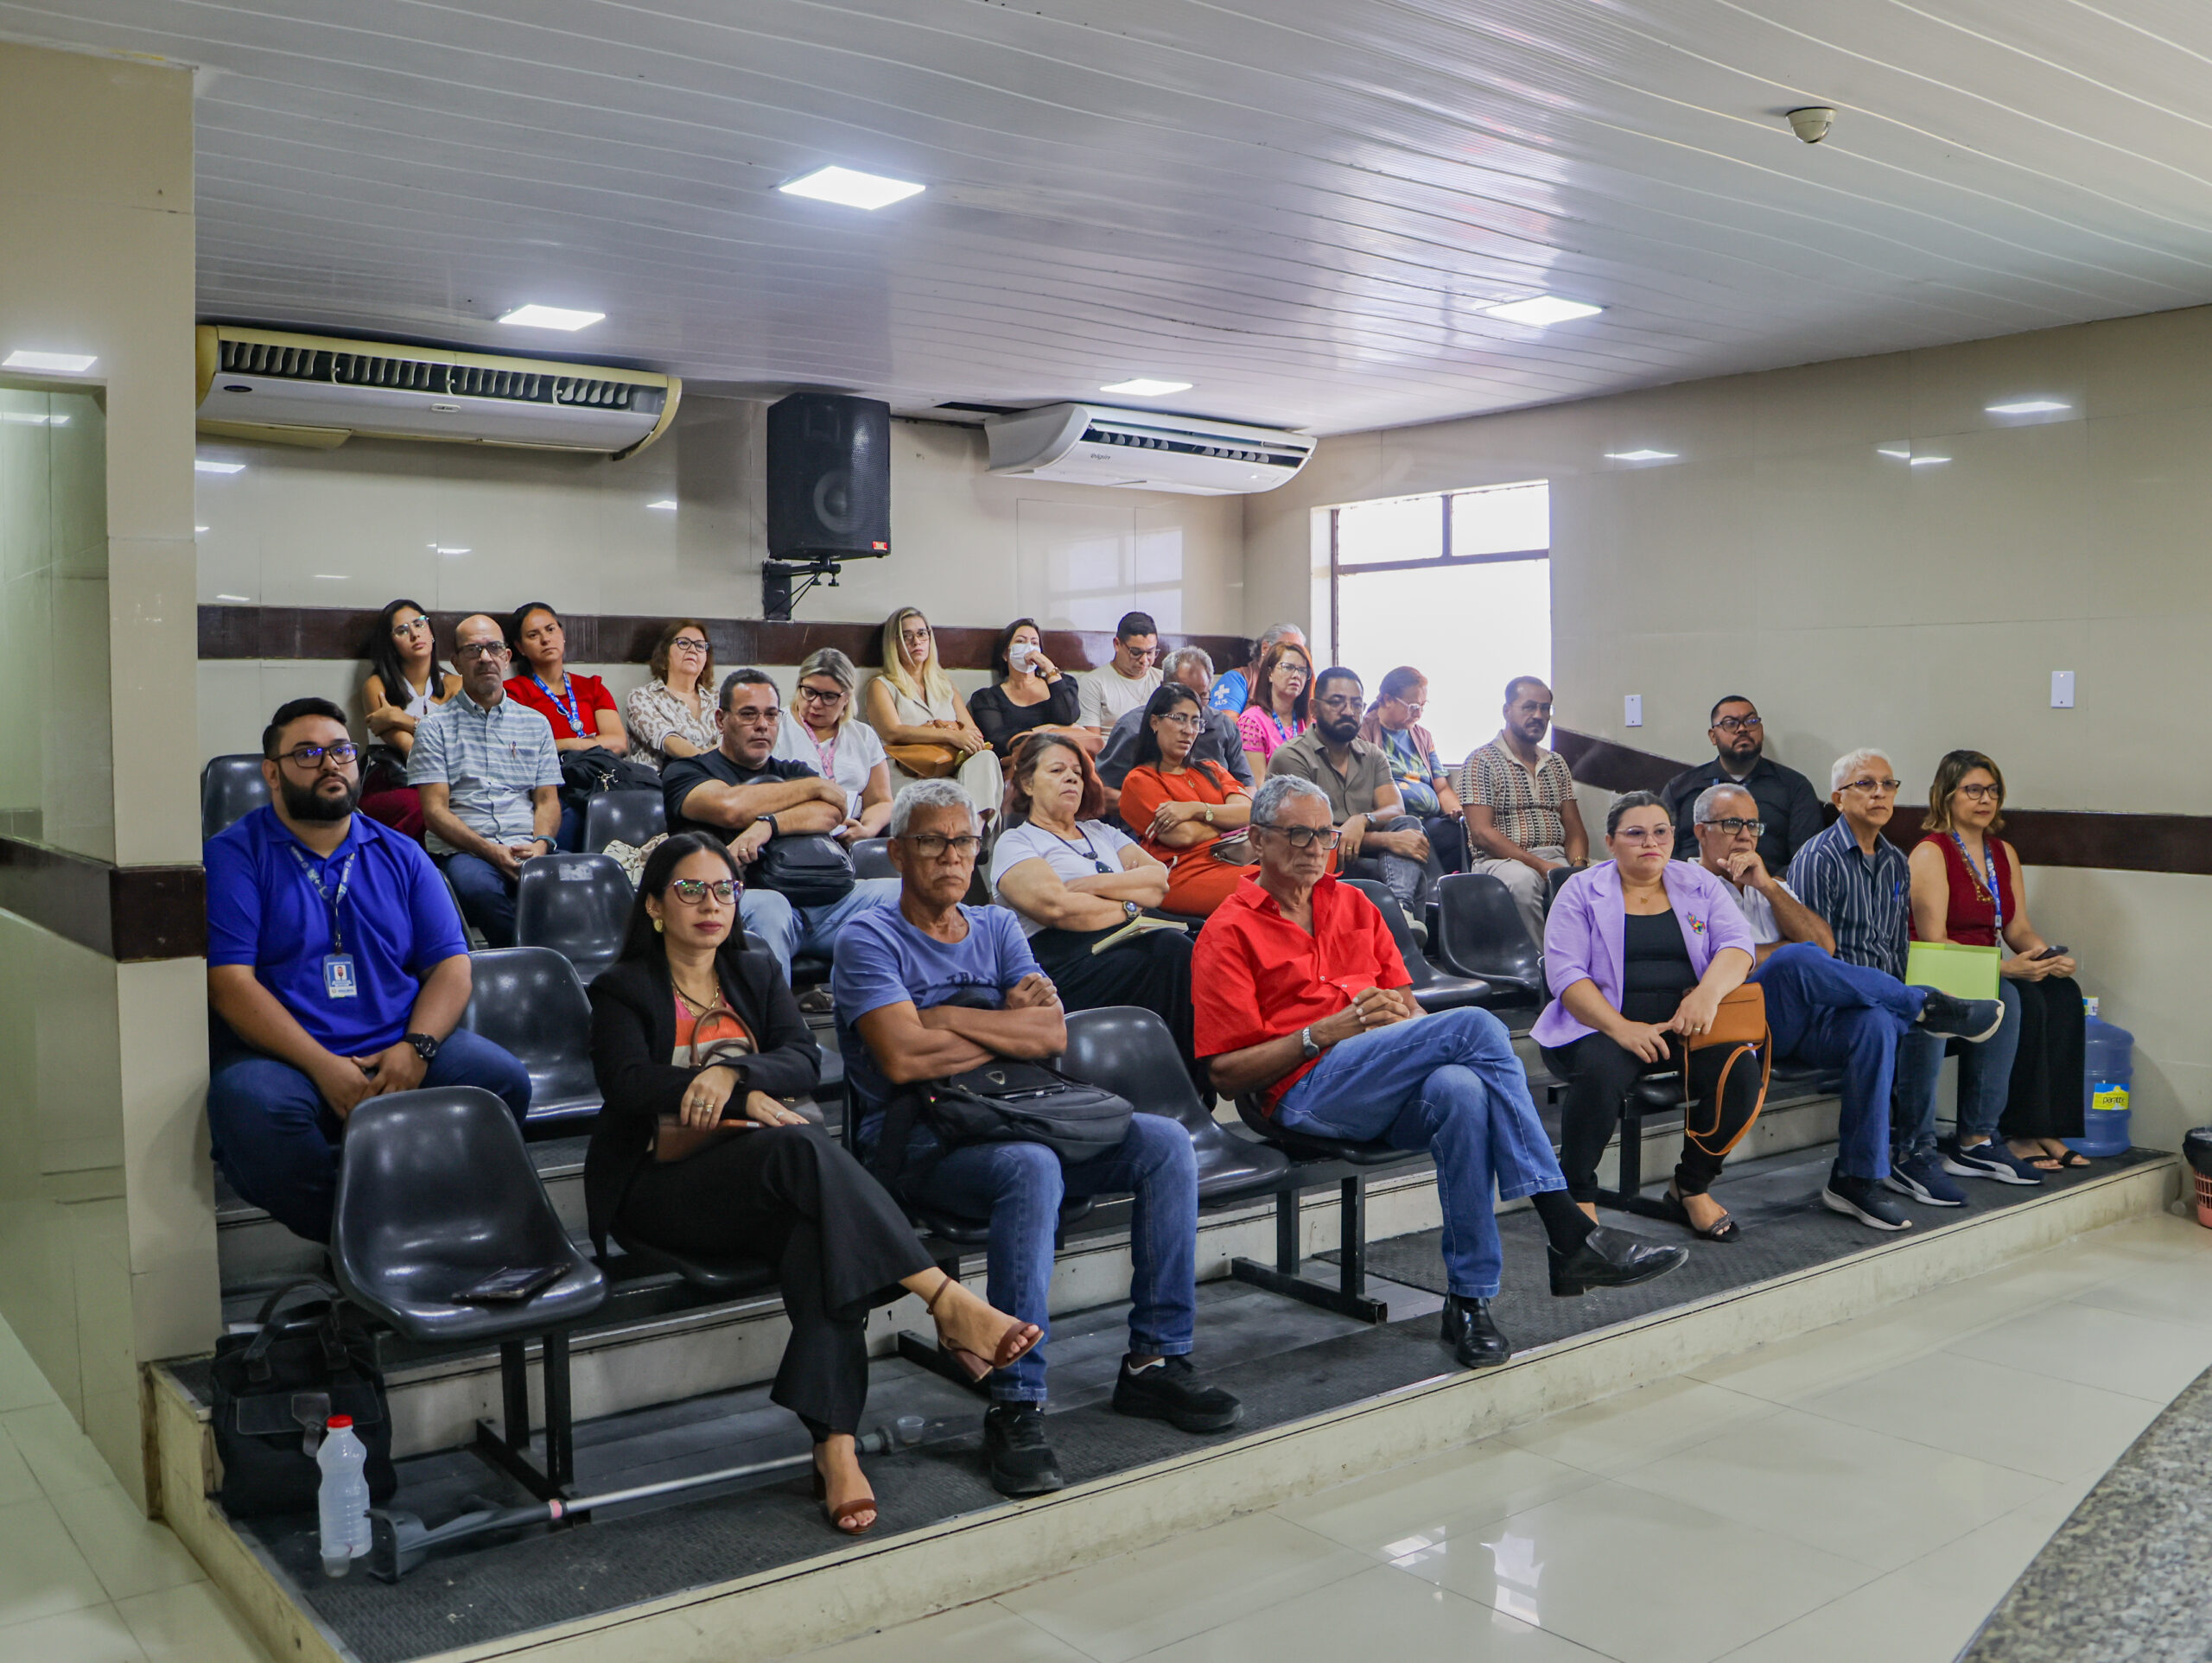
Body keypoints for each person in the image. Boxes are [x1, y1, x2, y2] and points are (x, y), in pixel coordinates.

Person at [588, 831, 1039, 1536]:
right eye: (690, 890)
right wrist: (729, 1092)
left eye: (724, 889)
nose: (711, 903)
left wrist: (734, 1072)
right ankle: (946, 1300)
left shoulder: (753, 967)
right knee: (801, 1147)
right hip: (661, 1186)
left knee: (819, 1232)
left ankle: (836, 1447)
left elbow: (803, 1057)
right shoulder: (622, 987)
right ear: (653, 905)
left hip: (755, 1177)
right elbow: (627, 1084)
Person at [1194, 776, 1686, 1370]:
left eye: (1324, 833)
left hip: (1382, 1076)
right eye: (1298, 833)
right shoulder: (1228, 930)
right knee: (1475, 1025)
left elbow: (1411, 1009)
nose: (1315, 847)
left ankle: (1469, 1302)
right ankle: (1563, 1223)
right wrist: (1321, 1033)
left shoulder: (1354, 904)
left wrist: (1405, 1027)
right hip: (1302, 1091)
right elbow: (1227, 1076)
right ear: (1257, 839)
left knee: (1461, 1089)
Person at [836, 780, 1242, 1498]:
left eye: (964, 841)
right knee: (1031, 1168)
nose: (952, 856)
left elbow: (1051, 1034)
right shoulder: (868, 938)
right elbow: (901, 1058)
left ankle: (1155, 1362)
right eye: (933, 842)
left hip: (1022, 1112)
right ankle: (1016, 1402)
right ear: (897, 852)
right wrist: (1000, 1023)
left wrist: (942, 1017)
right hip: (919, 1141)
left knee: (1164, 1144)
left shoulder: (995, 926)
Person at [205, 697, 531, 1242]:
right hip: (287, 1057)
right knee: (252, 1110)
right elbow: (230, 984)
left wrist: (417, 1048)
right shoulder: (233, 855)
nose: (330, 764)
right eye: (307, 753)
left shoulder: (402, 853)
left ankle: (415, 1232)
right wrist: (324, 1066)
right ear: (272, 773)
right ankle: (365, 1244)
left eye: (341, 751)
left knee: (501, 1082)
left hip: (396, 1040)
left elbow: (452, 966)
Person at [1691, 782, 2005, 1228]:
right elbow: (1717, 962)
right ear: (1701, 831)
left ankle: (1855, 1179)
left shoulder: (1769, 883)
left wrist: (1768, 887)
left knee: (1873, 1023)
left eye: (1753, 825)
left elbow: (1824, 945)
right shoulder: (1687, 887)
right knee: (1794, 959)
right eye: (1731, 824)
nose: (1744, 834)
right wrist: (1781, 952)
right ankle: (1924, 1005)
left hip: (1794, 1024)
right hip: (1733, 1023)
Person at [1533, 794, 1761, 1241]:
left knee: (1739, 1073)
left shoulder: (1699, 883)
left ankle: (1690, 1186)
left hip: (1686, 1026)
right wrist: (1621, 1028)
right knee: (1599, 1073)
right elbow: (1566, 974)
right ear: (1610, 842)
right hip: (1601, 1025)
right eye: (1635, 833)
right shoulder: (1580, 890)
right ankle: (1577, 1194)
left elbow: (1738, 946)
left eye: (1660, 832)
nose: (1650, 843)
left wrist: (1707, 995)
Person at [1786, 748, 1967, 1222]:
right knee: (1887, 1021)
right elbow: (1815, 959)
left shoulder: (1895, 861)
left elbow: (1895, 948)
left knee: (1921, 1019)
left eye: (1888, 784)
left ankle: (1915, 1153)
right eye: (1865, 784)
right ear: (1838, 798)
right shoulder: (1818, 858)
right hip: (1828, 1011)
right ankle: (1862, 1174)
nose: (1880, 793)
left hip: (1883, 1001)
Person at [1900, 750, 2088, 1183]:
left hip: (1989, 965)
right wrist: (2004, 970)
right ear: (1947, 796)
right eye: (1973, 790)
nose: (1986, 799)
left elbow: (2017, 926)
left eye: (1993, 790)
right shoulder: (1931, 852)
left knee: (2062, 993)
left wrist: (2045, 955)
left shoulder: (2002, 852)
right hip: (1945, 968)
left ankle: (2043, 1127)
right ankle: (1978, 1138)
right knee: (2014, 998)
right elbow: (1933, 942)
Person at [989, 733, 1204, 1093]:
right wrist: (1130, 901)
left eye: (1077, 772)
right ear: (1027, 783)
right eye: (1057, 770)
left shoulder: (1101, 831)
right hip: (1061, 962)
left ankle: (1187, 1083)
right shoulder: (1017, 842)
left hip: (1127, 938)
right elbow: (1058, 908)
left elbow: (1158, 882)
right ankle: (1189, 1088)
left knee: (1201, 939)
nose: (1071, 778)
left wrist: (1090, 885)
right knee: (1172, 952)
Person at [664, 669, 899, 982]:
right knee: (771, 906)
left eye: (771, 715)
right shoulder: (687, 771)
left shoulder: (793, 771)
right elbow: (730, 807)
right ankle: (778, 1014)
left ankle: (896, 1005)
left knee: (901, 891)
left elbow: (832, 811)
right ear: (721, 720)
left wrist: (769, 826)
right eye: (749, 714)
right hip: (734, 899)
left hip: (818, 903)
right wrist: (814, 788)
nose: (762, 724)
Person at [409, 614, 563, 949]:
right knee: (479, 889)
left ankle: (554, 963)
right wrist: (491, 852)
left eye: (493, 648)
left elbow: (547, 801)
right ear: (456, 662)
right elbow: (434, 813)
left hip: (527, 846)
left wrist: (541, 845)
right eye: (473, 650)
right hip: (466, 852)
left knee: (574, 884)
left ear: (507, 657)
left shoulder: (536, 723)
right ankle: (529, 960)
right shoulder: (434, 727)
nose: (485, 658)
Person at [1268, 667, 1441, 915]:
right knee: (1403, 872)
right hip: (1314, 861)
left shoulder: (1372, 754)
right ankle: (1401, 915)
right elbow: (1308, 835)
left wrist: (1362, 820)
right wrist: (1387, 840)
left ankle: (1401, 909)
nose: (1349, 711)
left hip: (1362, 853)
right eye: (1337, 702)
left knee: (1408, 824)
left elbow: (1395, 809)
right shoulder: (1292, 756)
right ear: (1314, 708)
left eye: (1357, 704)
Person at [1459, 676, 1589, 949]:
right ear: (1507, 711)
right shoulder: (1481, 760)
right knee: (1523, 883)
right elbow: (1481, 834)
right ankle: (1541, 965)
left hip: (1556, 856)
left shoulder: (1555, 762)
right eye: (1529, 707)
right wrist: (1540, 866)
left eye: (1545, 708)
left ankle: (1592, 964)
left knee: (1611, 875)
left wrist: (1577, 867)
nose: (1538, 715)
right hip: (1502, 861)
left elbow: (1574, 827)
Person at [1116, 683, 1257, 917]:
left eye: (1195, 721)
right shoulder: (1140, 780)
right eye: (1180, 719)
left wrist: (1195, 809)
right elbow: (1183, 835)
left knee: (1301, 881)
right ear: (1155, 723)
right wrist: (1227, 821)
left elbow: (1249, 813)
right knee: (1273, 891)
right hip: (1184, 876)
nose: (1188, 730)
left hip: (1236, 861)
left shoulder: (1212, 769)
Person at [863, 606, 1002, 816]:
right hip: (908, 772)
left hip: (949, 767)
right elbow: (893, 731)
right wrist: (949, 735)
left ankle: (976, 828)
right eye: (906, 636)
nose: (916, 642)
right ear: (893, 644)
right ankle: (968, 828)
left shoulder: (945, 684)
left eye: (921, 634)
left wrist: (963, 739)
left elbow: (973, 733)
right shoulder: (881, 685)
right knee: (947, 795)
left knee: (986, 758)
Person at [1660, 696, 1825, 870]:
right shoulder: (1680, 788)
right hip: (1693, 882)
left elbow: (1806, 859)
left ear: (1761, 729)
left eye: (1751, 722)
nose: (1742, 729)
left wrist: (1769, 884)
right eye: (1730, 724)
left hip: (1767, 883)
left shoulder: (1794, 787)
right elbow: (1663, 851)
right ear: (1713, 736)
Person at [1096, 645, 1251, 807]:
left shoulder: (1221, 731)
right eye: (1185, 696)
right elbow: (1101, 791)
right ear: (1164, 688)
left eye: (1202, 696)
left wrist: (1203, 811)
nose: (1195, 706)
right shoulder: (1132, 728)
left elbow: (1247, 787)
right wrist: (1144, 804)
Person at [359, 597, 458, 841]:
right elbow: (409, 748)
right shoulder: (377, 685)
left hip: (451, 781)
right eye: (402, 630)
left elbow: (460, 743)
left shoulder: (456, 684)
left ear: (431, 632)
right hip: (394, 781)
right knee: (427, 811)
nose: (415, 634)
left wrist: (400, 718)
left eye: (419, 624)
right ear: (391, 643)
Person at [773, 647, 893, 842]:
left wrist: (867, 829)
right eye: (809, 692)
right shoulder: (776, 726)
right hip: (793, 832)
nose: (816, 703)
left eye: (829, 697)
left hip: (850, 832)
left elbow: (881, 801)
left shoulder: (863, 736)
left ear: (846, 698)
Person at [1359, 666, 1468, 873]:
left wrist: (1457, 813)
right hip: (1395, 822)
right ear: (1388, 700)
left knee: (1462, 833)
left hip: (1431, 819)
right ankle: (1433, 888)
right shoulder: (1363, 733)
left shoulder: (1423, 736)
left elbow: (1441, 788)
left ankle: (1452, 886)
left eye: (1423, 706)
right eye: (1413, 706)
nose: (1419, 714)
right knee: (1417, 832)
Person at [504, 600, 629, 757]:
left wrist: (567, 745)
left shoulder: (592, 687)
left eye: (550, 629)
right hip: (550, 772)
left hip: (598, 770)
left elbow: (619, 744)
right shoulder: (514, 692)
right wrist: (586, 744)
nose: (545, 639)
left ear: (562, 634)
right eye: (533, 635)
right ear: (520, 647)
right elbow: (521, 749)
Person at [968, 619, 1094, 759]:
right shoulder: (987, 697)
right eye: (1020, 641)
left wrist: (1049, 668)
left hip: (1065, 759)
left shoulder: (1063, 683)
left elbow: (1068, 717)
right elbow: (998, 741)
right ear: (1005, 654)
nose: (1028, 648)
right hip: (1023, 762)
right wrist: (1042, 730)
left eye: (1034, 643)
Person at [624, 619, 718, 771]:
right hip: (662, 781)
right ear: (665, 653)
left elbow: (730, 743)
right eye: (683, 643)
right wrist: (710, 763)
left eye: (700, 645)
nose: (693, 649)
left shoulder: (718, 699)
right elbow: (669, 742)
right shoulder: (642, 697)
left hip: (717, 778)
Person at [1076, 610, 1162, 733]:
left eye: (1150, 652)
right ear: (1117, 644)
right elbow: (1091, 740)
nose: (1144, 660)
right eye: (1136, 652)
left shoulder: (1163, 680)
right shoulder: (1093, 683)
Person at [1236, 639, 1312, 778]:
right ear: (1270, 673)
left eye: (1302, 670)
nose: (1296, 675)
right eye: (1288, 667)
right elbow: (1259, 784)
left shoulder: (1311, 722)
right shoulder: (1252, 721)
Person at [1210, 623, 1306, 715]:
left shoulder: (1297, 685)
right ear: (1265, 648)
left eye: (1299, 652)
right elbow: (1226, 722)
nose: (1294, 657)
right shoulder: (1236, 679)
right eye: (1288, 650)